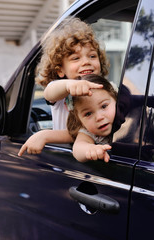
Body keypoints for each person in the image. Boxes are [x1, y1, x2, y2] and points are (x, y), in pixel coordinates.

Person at [18, 17, 110, 156]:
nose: (86, 62)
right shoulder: (62, 91)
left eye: (92, 56)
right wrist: (69, 85)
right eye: (75, 58)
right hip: (65, 158)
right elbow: (50, 92)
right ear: (60, 70)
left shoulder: (103, 90)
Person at [67, 74, 117, 162]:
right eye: (88, 114)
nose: (99, 117)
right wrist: (90, 149)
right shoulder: (88, 132)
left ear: (116, 99)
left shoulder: (130, 117)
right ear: (79, 120)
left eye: (104, 106)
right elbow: (78, 149)